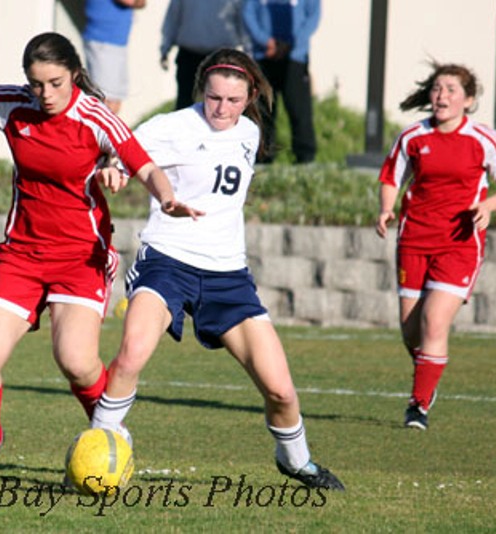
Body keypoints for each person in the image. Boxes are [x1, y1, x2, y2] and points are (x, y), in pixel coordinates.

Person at [0, 29, 200, 486]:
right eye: (37, 84)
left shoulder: (94, 116)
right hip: (21, 256)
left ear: (74, 74)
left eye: (55, 83)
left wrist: (167, 198)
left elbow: (143, 164)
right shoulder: (14, 105)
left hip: (80, 257)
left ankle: (109, 431)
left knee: (76, 361)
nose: (46, 94)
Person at [90, 48, 345, 490]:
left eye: (233, 100)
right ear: (200, 90)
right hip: (167, 261)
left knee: (281, 391)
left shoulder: (248, 131)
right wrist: (113, 169)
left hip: (228, 276)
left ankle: (298, 462)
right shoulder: (172, 126)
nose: (222, 109)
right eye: (213, 98)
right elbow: (122, 150)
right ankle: (99, 445)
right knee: (131, 354)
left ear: (250, 98)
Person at [376, 61, 496, 431]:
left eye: (451, 90)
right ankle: (428, 375)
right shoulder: (413, 136)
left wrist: (488, 205)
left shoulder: (485, 139)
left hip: (460, 243)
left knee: (434, 321)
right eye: (437, 88)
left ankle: (418, 406)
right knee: (411, 332)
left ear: (468, 100)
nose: (441, 96)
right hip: (414, 239)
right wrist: (387, 209)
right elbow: (391, 176)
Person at [241, 0, 320, 163]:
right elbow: (248, 14)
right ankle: (263, 155)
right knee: (263, 108)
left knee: (298, 108)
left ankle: (305, 157)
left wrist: (291, 43)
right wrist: (265, 41)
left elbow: (312, 17)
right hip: (264, 55)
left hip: (295, 57)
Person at [160, 0, 249, 110]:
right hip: (189, 54)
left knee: (223, 102)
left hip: (223, 57)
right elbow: (172, 19)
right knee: (185, 102)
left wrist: (248, 52)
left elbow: (243, 21)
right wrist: (165, 49)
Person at [82, 0, 146, 115]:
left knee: (115, 98)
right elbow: (130, 1)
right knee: (105, 100)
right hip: (103, 41)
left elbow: (141, 3)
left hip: (115, 42)